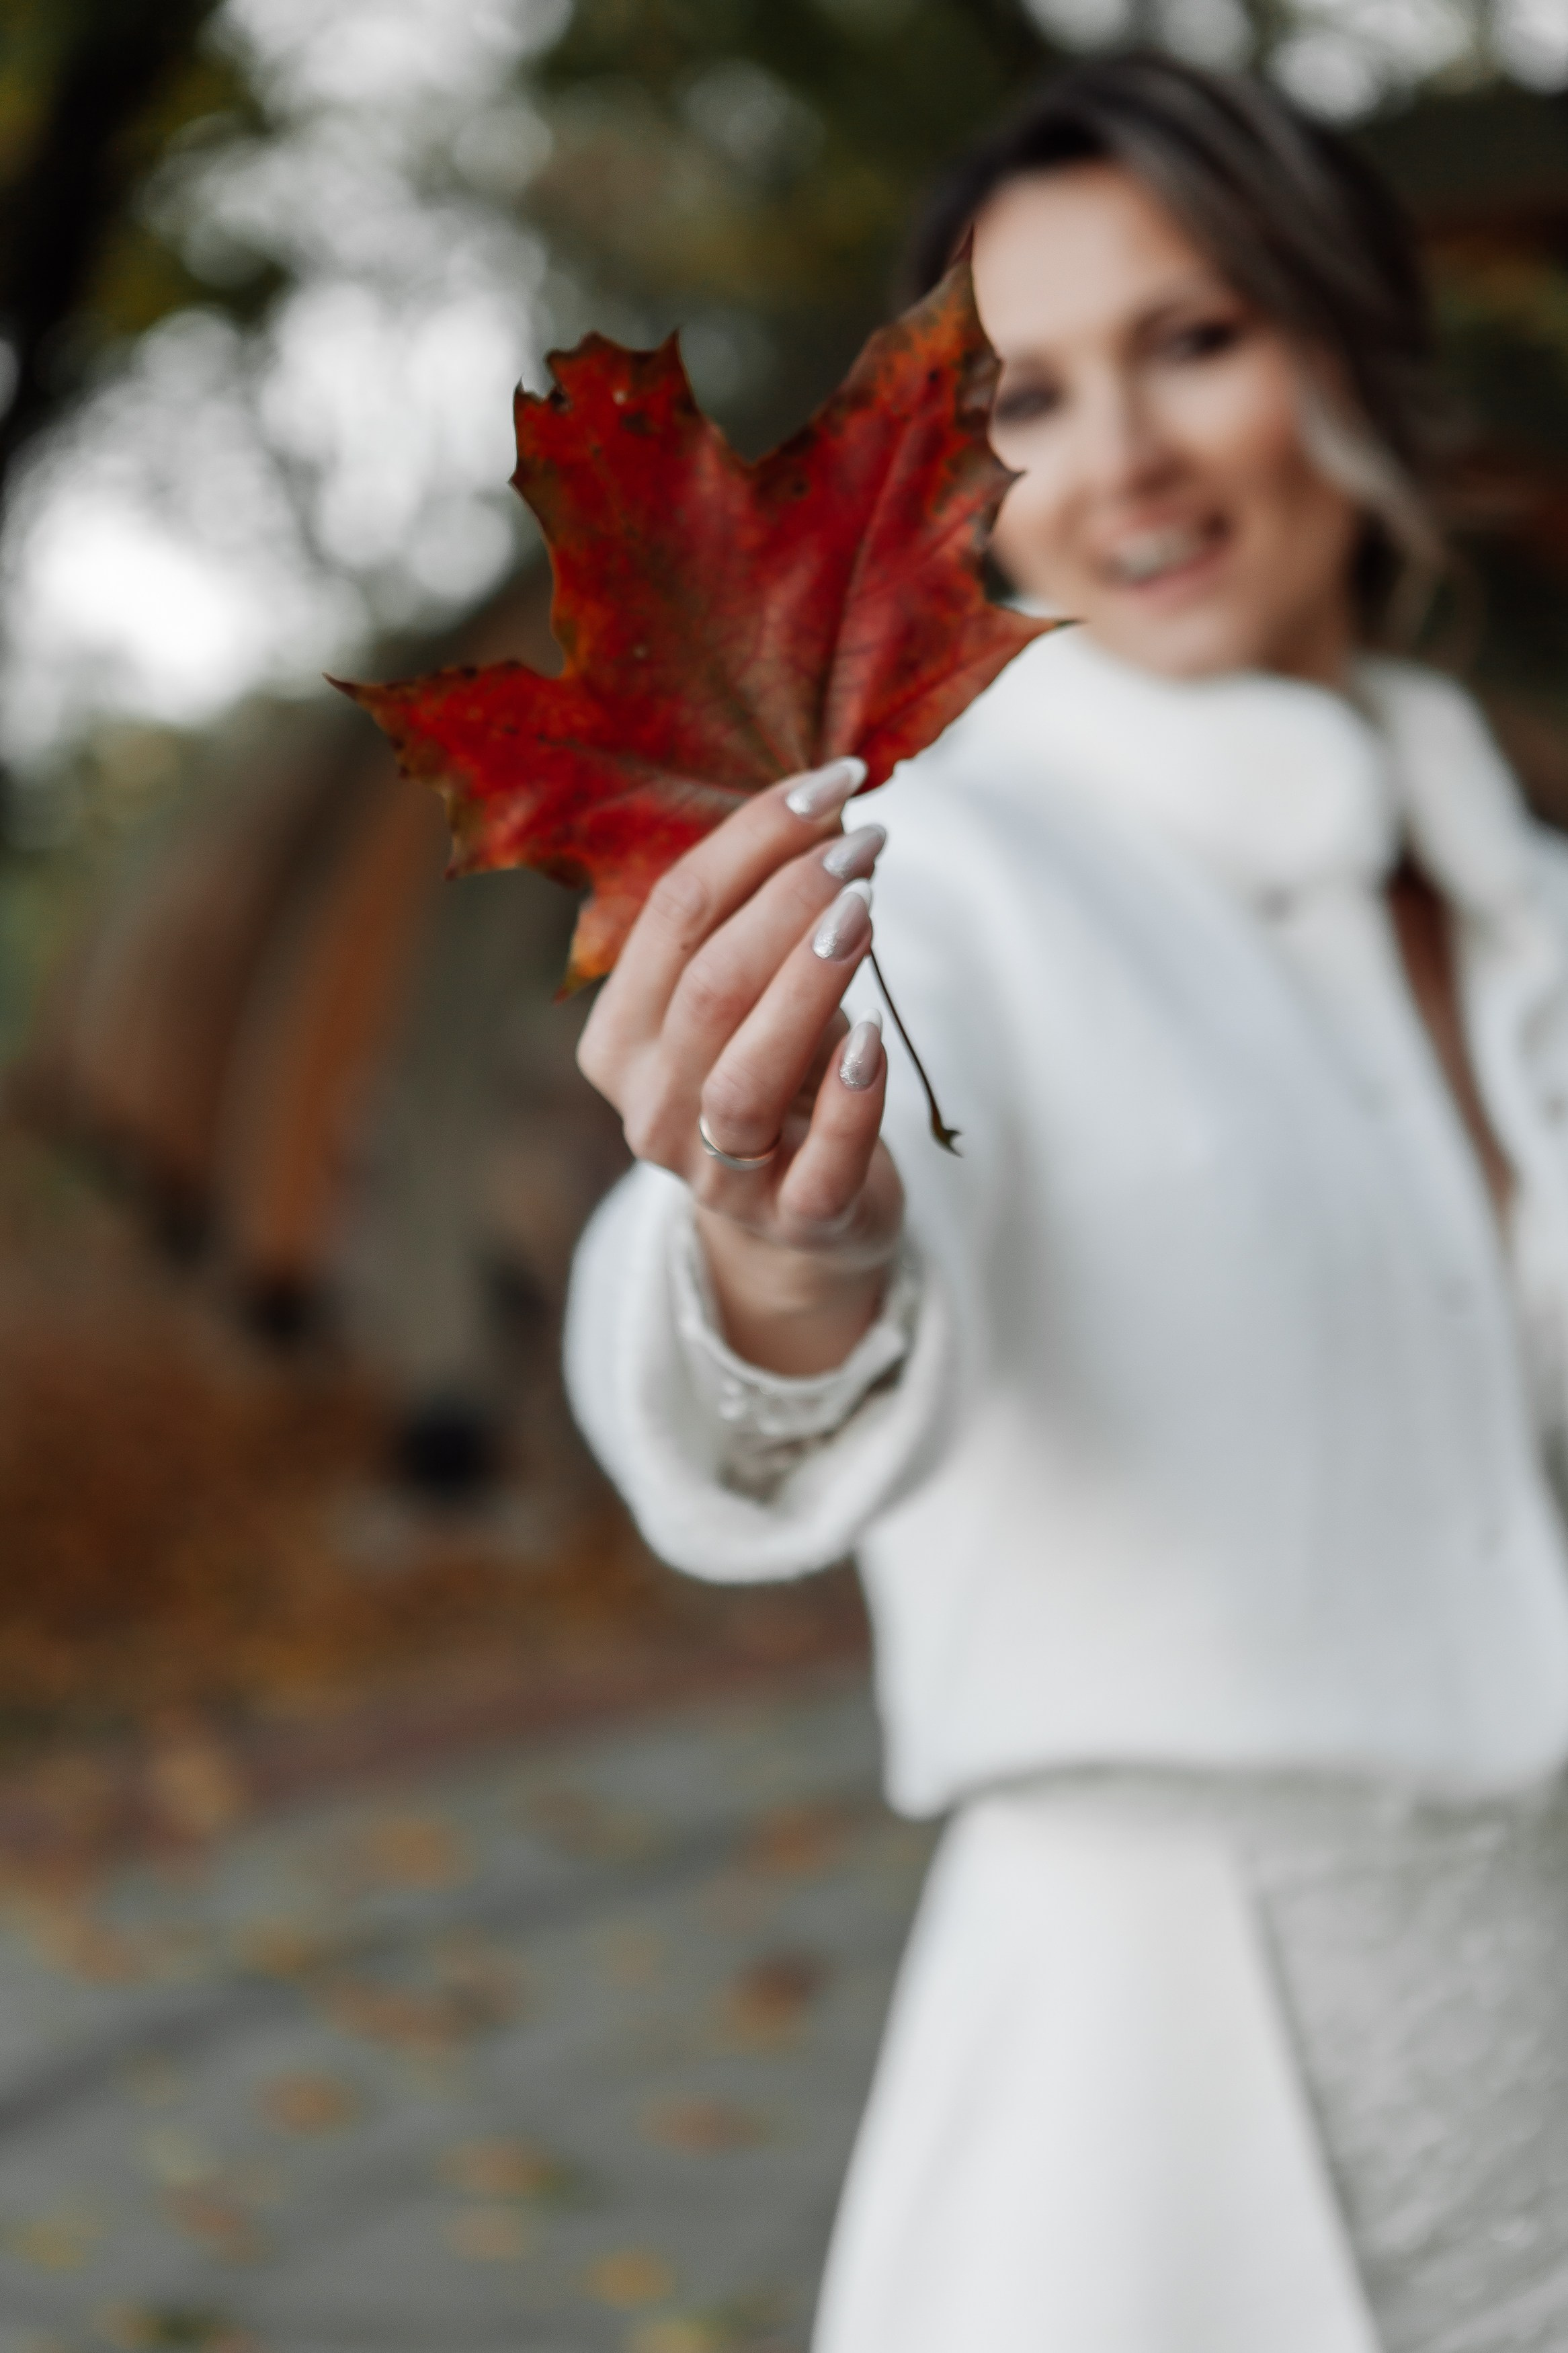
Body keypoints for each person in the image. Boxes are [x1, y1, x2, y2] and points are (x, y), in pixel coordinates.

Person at [565, 50, 1568, 2353]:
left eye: (1193, 341)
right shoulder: (930, 876)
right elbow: (768, 1289)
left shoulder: (1529, 905)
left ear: (1349, 352)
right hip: (1171, 2123)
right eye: (1024, 396)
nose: (1122, 458)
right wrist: (774, 1246)